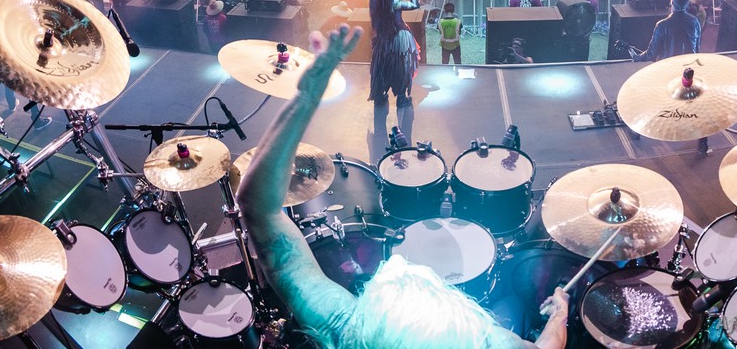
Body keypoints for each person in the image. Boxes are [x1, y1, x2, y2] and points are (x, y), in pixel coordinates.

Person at [236, 26, 569, 348]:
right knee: (513, 306)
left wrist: (305, 97)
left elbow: (259, 210)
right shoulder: (487, 341)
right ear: (460, 318)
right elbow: (548, 345)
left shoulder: (347, 331)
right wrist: (559, 314)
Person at [630, 0, 708, 155]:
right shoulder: (695, 22)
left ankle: (637, 129)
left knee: (647, 96)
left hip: (668, 73)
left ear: (671, 3)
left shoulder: (662, 25)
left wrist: (636, 57)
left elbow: (651, 54)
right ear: (686, 4)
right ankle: (703, 143)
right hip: (689, 73)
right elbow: (697, 49)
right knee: (697, 105)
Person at [365, 0, 421, 106]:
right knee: (401, 66)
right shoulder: (395, 2)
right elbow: (415, 4)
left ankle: (380, 95)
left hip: (383, 38)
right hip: (399, 38)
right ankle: (401, 97)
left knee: (382, 65)